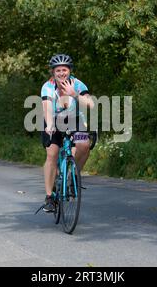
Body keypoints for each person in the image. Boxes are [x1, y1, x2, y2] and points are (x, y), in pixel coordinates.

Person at [40, 53, 95, 212]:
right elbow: (47, 107)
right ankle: (49, 196)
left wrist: (74, 94)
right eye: (58, 70)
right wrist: (50, 124)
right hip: (54, 120)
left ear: (69, 70)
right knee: (52, 154)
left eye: (64, 70)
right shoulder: (48, 86)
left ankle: (73, 176)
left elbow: (90, 105)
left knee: (84, 145)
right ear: (53, 72)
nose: (61, 73)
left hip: (74, 119)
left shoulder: (77, 84)